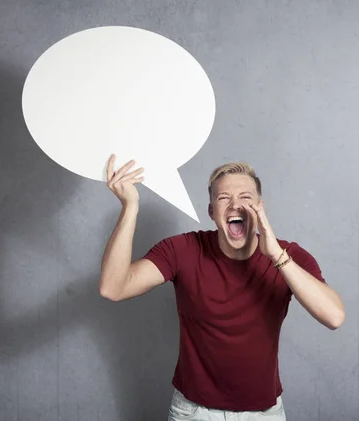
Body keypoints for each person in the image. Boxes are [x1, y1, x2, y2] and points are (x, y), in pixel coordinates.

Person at [99, 155, 345, 421]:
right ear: (212, 212)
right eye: (224, 198)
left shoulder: (289, 255)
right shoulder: (183, 250)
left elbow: (334, 317)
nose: (235, 204)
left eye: (246, 197)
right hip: (192, 412)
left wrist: (277, 256)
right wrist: (130, 207)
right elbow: (114, 287)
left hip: (263, 414)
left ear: (260, 208)